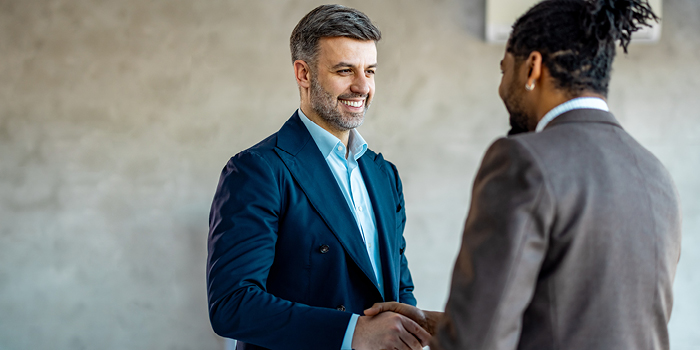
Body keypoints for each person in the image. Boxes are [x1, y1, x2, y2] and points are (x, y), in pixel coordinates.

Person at [365, 0, 682, 349]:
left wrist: (460, 331)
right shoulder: (655, 174)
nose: (502, 88)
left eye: (505, 71)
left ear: (532, 68)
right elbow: (589, 319)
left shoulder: (523, 160)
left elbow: (477, 342)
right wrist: (440, 323)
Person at [206, 4, 430, 350]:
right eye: (345, 70)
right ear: (304, 73)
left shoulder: (384, 174)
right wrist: (353, 332)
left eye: (369, 71)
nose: (362, 86)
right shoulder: (258, 170)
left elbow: (400, 290)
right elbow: (232, 305)